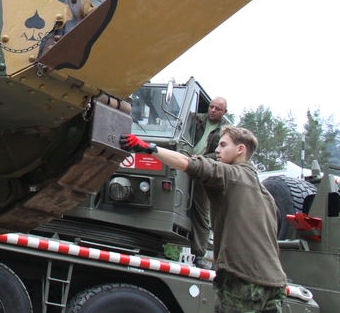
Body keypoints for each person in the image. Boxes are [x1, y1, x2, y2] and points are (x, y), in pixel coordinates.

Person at [121, 127, 287, 312]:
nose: (217, 150)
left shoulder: (229, 175)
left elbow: (188, 163)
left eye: (223, 145)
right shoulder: (266, 194)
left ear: (240, 149)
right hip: (275, 282)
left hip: (244, 279)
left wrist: (148, 147)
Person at [191, 96, 232, 269]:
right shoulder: (195, 120)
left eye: (218, 109)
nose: (213, 110)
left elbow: (221, 155)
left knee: (201, 213)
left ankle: (199, 255)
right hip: (183, 162)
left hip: (204, 170)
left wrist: (200, 159)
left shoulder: (226, 132)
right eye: (211, 107)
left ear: (225, 112)